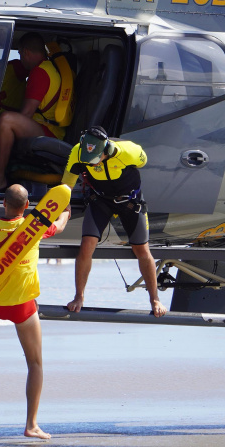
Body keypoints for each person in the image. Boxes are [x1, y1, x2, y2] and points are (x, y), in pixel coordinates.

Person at [0, 184, 71, 439]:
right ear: (27, 206)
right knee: (35, 363)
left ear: (4, 205)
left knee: (8, 298)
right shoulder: (35, 227)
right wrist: (64, 212)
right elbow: (60, 226)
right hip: (21, 308)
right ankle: (31, 425)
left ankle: (32, 424)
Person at [60, 126, 166, 317]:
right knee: (86, 245)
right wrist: (63, 202)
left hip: (130, 202)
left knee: (142, 249)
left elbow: (144, 162)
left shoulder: (128, 151)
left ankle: (155, 299)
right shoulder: (79, 151)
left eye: (94, 161)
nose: (91, 165)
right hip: (100, 200)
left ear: (106, 150)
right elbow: (67, 182)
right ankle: (79, 297)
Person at [0, 32, 65, 193]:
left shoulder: (39, 72)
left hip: (49, 131)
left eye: (20, 54)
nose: (20, 58)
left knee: (6, 120)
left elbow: (26, 114)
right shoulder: (47, 67)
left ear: (25, 52)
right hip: (44, 126)